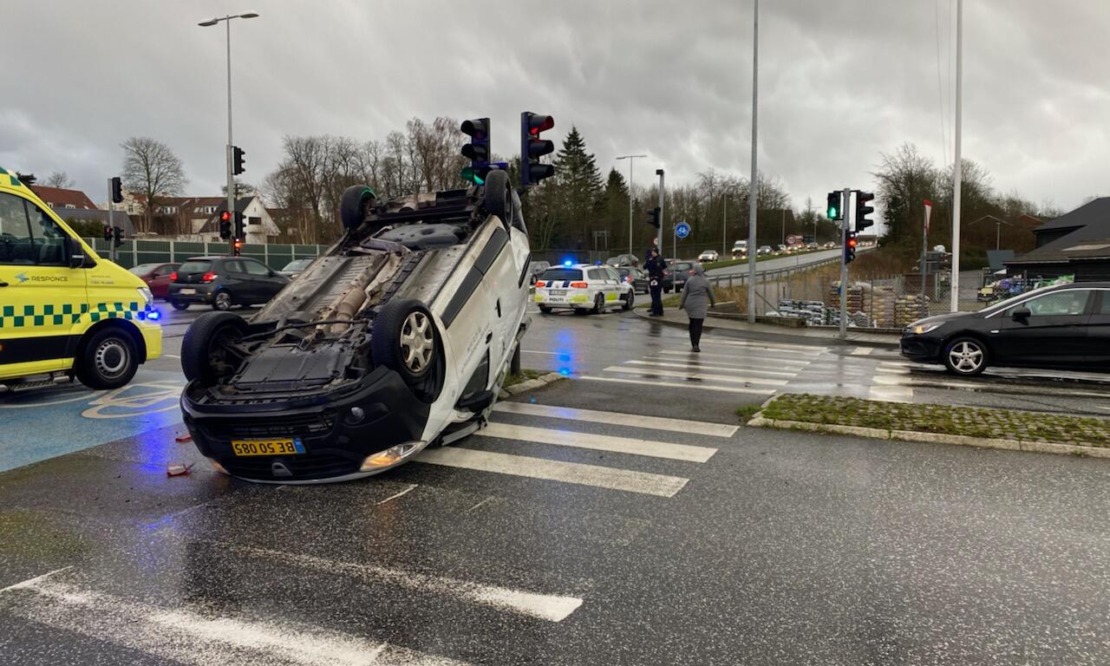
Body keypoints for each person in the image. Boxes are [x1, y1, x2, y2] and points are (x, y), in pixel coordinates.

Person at [679, 264, 716, 352]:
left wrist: (681, 304)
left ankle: (693, 343)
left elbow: (684, 293)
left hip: (690, 304)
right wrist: (713, 304)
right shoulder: (706, 281)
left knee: (692, 323)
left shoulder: (690, 280)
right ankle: (696, 344)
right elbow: (711, 294)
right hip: (701, 305)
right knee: (698, 325)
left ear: (695, 271)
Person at [644, 248, 667, 316]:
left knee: (655, 295)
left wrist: (648, 261)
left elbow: (645, 266)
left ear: (655, 252)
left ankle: (656, 312)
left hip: (654, 279)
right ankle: (660, 311)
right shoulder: (661, 258)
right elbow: (664, 267)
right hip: (659, 278)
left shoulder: (653, 260)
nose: (652, 253)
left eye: (652, 252)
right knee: (657, 295)